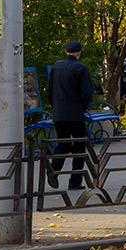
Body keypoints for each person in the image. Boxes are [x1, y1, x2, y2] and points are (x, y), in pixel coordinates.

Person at [48, 40, 94, 189]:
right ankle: (75, 181)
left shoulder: (56, 66)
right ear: (79, 52)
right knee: (80, 145)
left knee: (63, 143)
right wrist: (82, 107)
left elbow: (49, 91)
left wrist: (55, 107)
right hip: (75, 114)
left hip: (59, 113)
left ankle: (53, 170)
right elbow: (86, 92)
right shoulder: (81, 68)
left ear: (66, 51)